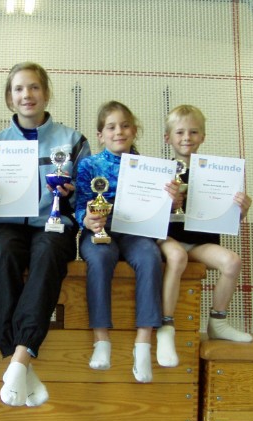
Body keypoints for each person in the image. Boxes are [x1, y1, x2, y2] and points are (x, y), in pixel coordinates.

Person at [0, 62, 91, 407]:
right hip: (8, 224)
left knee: (47, 254)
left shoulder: (73, 140)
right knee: (0, 254)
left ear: (46, 92)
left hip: (53, 224)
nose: (26, 95)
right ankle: (22, 364)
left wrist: (73, 192)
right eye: (18, 89)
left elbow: (89, 199)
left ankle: (18, 358)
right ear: (9, 98)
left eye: (33, 87)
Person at [75, 101, 178, 383]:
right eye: (111, 127)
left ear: (134, 130)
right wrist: (86, 220)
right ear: (100, 134)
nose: (118, 131)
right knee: (99, 258)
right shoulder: (89, 165)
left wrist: (170, 201)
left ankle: (143, 344)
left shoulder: (153, 169)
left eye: (125, 125)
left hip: (136, 233)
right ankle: (101, 341)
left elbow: (159, 210)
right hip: (100, 230)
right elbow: (79, 204)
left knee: (149, 257)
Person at [156, 104, 253, 368]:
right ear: (168, 138)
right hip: (169, 239)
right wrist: (166, 200)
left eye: (193, 132)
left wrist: (241, 210)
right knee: (176, 258)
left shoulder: (218, 174)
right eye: (179, 132)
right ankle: (166, 326)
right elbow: (148, 213)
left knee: (232, 262)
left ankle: (218, 321)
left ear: (203, 137)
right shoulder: (159, 171)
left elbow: (226, 214)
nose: (187, 137)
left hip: (200, 241)